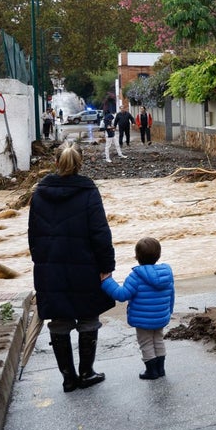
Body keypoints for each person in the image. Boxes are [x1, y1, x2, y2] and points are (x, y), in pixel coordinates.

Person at [27, 142, 116, 393]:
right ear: (80, 164)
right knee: (88, 317)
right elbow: (100, 233)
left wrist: (41, 264)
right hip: (85, 266)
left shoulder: (39, 192)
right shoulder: (88, 191)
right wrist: (106, 266)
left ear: (56, 162)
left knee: (59, 320)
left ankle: (68, 378)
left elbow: (34, 234)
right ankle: (86, 373)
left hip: (50, 268)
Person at [102, 237, 174, 380]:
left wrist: (107, 281)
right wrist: (168, 311)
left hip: (143, 319)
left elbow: (122, 295)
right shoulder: (167, 274)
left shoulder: (136, 276)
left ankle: (151, 371)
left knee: (146, 343)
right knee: (158, 340)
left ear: (136, 257)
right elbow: (171, 294)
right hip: (161, 317)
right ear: (159, 255)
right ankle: (161, 369)